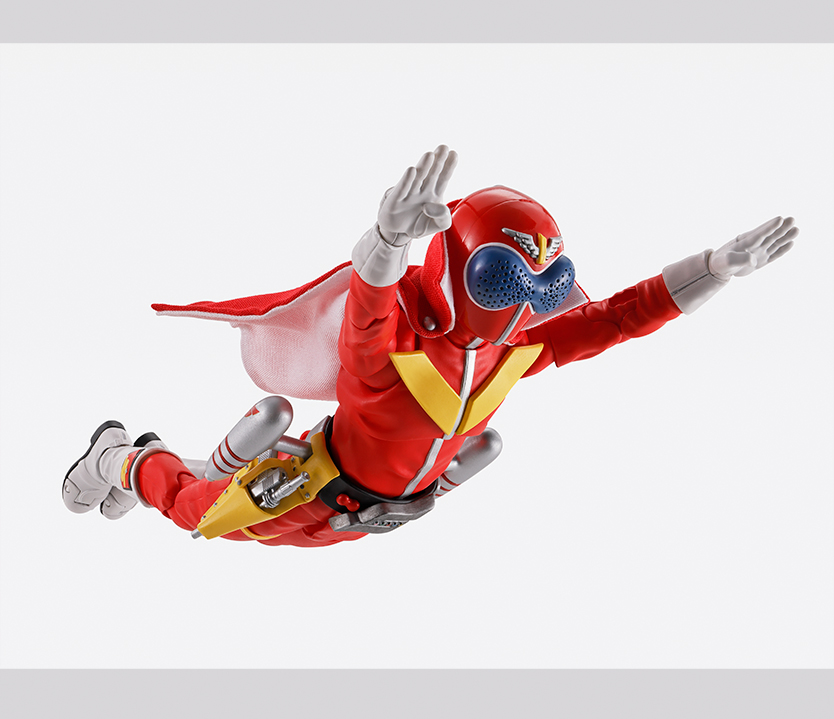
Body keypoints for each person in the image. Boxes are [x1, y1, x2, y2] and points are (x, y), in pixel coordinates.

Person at [62, 146, 798, 547]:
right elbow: (369, 306)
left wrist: (712, 270)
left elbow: (617, 318)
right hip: (310, 487)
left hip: (378, 515)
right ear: (456, 268)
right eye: (502, 278)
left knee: (231, 506)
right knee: (198, 514)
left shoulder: (519, 351)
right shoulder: (392, 350)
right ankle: (119, 458)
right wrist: (386, 242)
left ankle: (181, 464)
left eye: (547, 284)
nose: (523, 303)